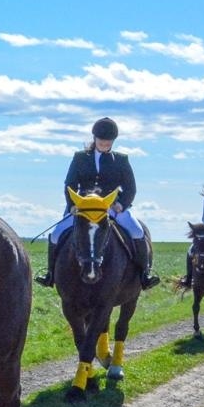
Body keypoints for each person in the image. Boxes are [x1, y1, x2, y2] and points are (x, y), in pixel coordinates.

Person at [36, 118, 161, 292]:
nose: (104, 143)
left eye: (108, 141)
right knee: (56, 234)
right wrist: (72, 204)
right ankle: (50, 274)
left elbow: (130, 188)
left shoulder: (121, 160)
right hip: (83, 207)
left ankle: (144, 275)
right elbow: (70, 184)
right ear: (94, 138)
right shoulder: (80, 158)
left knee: (138, 231)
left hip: (110, 207)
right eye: (101, 140)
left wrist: (121, 204)